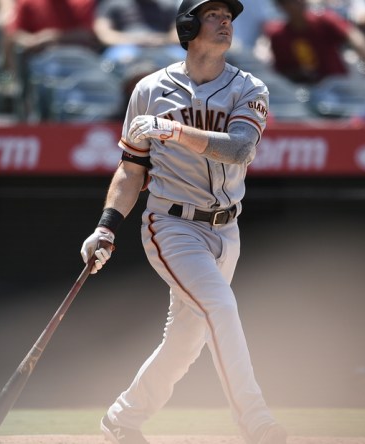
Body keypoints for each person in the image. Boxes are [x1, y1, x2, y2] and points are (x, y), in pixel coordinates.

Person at [79, 1, 287, 443]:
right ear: (188, 25)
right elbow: (131, 170)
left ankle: (122, 418)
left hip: (226, 229)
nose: (226, 21)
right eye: (214, 15)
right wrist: (106, 226)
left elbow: (240, 150)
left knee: (185, 344)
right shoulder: (150, 91)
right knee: (221, 308)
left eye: (229, 16)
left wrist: (175, 131)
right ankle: (255, 421)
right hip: (171, 224)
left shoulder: (250, 87)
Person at [266, 0, 365, 84]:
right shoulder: (278, 36)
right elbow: (281, 71)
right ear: (282, 7)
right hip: (304, 92)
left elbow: (357, 39)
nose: (300, 2)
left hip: (338, 85)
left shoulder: (323, 19)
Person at [0, 0, 98, 78]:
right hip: (39, 65)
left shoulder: (82, 2)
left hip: (77, 65)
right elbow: (12, 33)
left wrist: (54, 37)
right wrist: (33, 40)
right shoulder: (28, 2)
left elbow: (88, 34)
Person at [92, 0, 186, 67]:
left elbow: (179, 32)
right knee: (113, 62)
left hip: (163, 46)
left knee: (183, 59)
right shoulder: (113, 3)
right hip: (124, 47)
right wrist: (135, 40)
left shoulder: (167, 4)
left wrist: (162, 39)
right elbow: (103, 34)